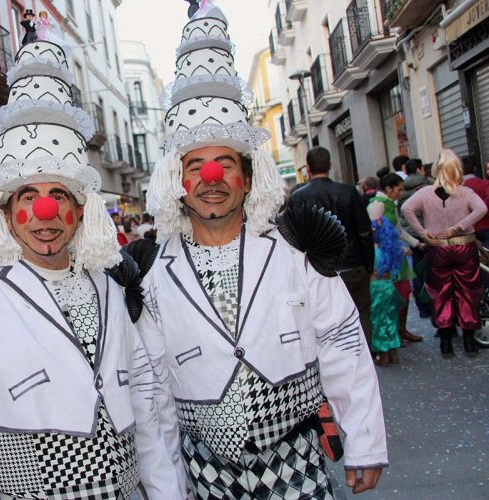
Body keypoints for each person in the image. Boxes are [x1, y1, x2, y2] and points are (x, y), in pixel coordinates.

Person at [0, 28, 183, 499]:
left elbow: (148, 407)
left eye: (59, 195)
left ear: (81, 209)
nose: (45, 212)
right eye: (29, 196)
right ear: (4, 210)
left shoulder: (111, 284)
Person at [136, 3, 386, 497]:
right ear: (179, 181)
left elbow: (342, 344)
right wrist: (166, 487)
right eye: (196, 166)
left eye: (225, 164)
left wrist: (364, 442)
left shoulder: (295, 250)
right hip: (204, 476)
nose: (212, 179)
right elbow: (152, 394)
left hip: (297, 466)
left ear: (247, 177)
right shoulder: (151, 274)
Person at [402, 150, 488, 358]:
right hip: (464, 245)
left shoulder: (424, 193)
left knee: (440, 292)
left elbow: (406, 209)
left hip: (437, 247)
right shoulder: (464, 192)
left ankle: (446, 341)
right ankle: (469, 340)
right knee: (468, 291)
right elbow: (482, 209)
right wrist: (459, 226)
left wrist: (423, 233)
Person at [289, 146, 375, 350]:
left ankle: (333, 360)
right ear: (330, 165)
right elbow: (364, 231)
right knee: (360, 312)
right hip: (352, 266)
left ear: (307, 167)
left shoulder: (298, 197)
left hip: (317, 270)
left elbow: (294, 240)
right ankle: (363, 354)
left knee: (322, 318)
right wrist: (368, 265)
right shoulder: (348, 192)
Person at [368, 173, 423, 343]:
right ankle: (392, 333)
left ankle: (401, 329)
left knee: (404, 291)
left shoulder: (390, 203)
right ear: (388, 189)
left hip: (395, 255)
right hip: (387, 257)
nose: (400, 192)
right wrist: (400, 247)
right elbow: (375, 233)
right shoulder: (377, 204)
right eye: (399, 189)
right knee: (391, 294)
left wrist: (417, 243)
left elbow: (398, 229)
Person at [369, 218, 404, 366]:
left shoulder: (373, 250)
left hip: (375, 286)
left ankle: (382, 353)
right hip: (389, 285)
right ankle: (393, 352)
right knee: (391, 317)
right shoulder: (391, 249)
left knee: (377, 319)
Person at [399, 158, 432, 318]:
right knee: (434, 271)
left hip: (412, 235)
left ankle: (423, 308)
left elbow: (401, 212)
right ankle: (436, 307)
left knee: (418, 272)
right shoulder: (428, 186)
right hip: (429, 233)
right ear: (420, 169)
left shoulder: (403, 190)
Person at [461, 155, 489, 250]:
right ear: (475, 168)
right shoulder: (484, 184)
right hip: (485, 226)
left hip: (464, 231)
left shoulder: (456, 189)